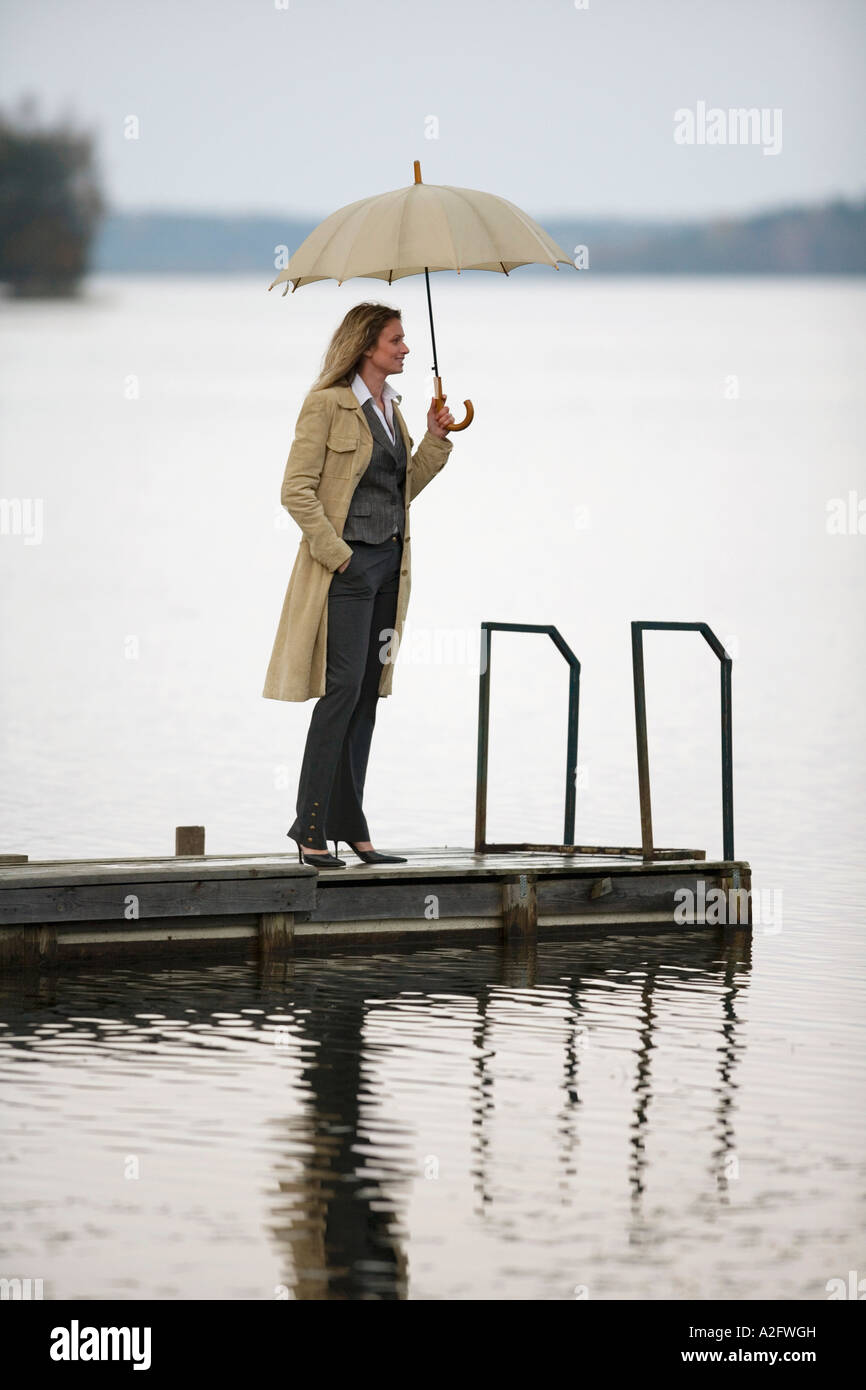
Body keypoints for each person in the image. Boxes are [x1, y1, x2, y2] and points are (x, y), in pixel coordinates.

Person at [262, 302, 456, 868]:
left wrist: (434, 439)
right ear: (367, 344)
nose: (405, 349)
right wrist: (340, 557)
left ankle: (351, 821)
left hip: (390, 575)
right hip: (346, 574)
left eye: (405, 340)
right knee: (342, 690)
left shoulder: (392, 411)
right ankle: (310, 825)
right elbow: (295, 491)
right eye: (396, 339)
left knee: (369, 693)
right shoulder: (325, 405)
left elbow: (401, 491)